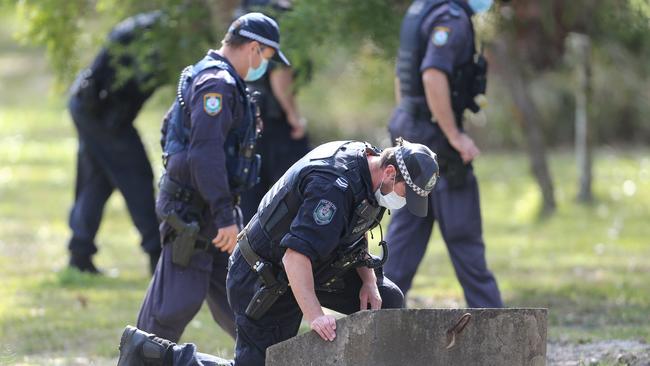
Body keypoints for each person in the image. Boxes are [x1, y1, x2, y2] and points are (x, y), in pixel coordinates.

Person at [117, 138, 440, 366]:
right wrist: (316, 316)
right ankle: (157, 355)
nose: (402, 202)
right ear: (389, 173)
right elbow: (294, 256)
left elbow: (354, 230)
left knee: (387, 298)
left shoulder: (367, 170)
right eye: (404, 193)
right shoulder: (332, 184)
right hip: (263, 276)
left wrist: (369, 281)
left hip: (315, 267)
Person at [135, 12, 290, 343]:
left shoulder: (214, 77)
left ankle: (265, 356)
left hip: (213, 209)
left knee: (243, 302)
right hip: (193, 213)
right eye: (267, 58)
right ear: (253, 49)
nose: (265, 66)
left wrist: (225, 212)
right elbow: (204, 154)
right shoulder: (216, 84)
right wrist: (223, 215)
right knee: (174, 305)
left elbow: (172, 131)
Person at [384, 0, 503, 308]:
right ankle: (495, 328)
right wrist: (454, 135)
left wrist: (410, 127)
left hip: (411, 129)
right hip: (435, 143)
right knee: (465, 240)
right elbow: (432, 75)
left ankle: (373, 322)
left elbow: (402, 75)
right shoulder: (452, 19)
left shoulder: (421, 9)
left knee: (405, 237)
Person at [66, 11, 166, 274]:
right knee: (136, 175)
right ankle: (157, 255)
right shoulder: (153, 35)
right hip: (101, 113)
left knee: (97, 179)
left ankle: (80, 253)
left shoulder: (152, 29)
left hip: (96, 110)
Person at [236, 0, 311, 224]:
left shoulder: (244, 13)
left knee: (248, 199)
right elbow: (280, 72)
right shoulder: (279, 16)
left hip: (244, 116)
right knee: (294, 198)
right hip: (273, 121)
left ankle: (244, 256)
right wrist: (293, 115)